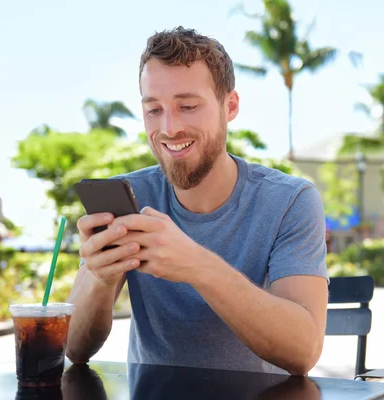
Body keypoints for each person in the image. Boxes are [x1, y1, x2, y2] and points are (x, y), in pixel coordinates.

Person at [65, 26, 329, 376]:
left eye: (187, 106)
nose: (170, 128)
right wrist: (99, 276)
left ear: (230, 105)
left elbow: (303, 351)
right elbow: (73, 348)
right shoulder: (129, 196)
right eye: (154, 109)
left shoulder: (290, 201)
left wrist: (196, 265)